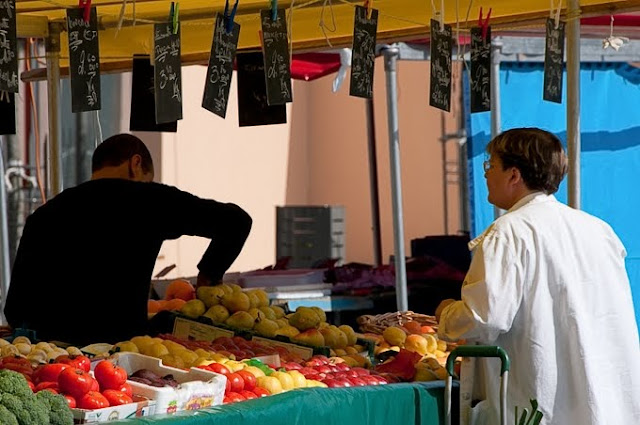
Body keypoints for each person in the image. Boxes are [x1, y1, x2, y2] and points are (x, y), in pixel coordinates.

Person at [436, 128, 640, 425]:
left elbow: (486, 316)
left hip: (541, 404)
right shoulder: (599, 230)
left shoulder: (509, 232)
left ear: (514, 175)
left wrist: (447, 314)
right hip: (607, 404)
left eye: (490, 165)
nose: (486, 175)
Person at [4, 133, 252, 345]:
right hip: (122, 355)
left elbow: (15, 307)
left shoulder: (46, 214)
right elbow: (237, 222)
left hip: (54, 356)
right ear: (136, 163)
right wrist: (208, 275)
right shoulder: (149, 200)